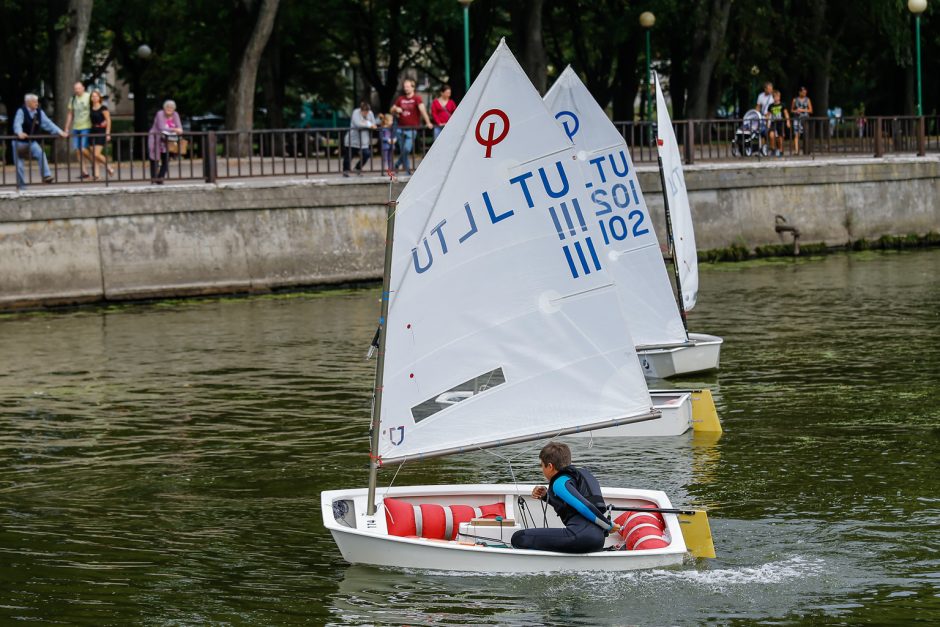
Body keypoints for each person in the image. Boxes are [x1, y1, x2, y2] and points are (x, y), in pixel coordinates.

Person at [510, 442, 619, 553]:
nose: (542, 470)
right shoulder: (578, 476)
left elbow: (585, 507)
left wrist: (608, 526)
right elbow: (571, 506)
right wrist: (546, 496)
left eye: (542, 465)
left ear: (550, 466)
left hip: (580, 537)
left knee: (519, 537)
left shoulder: (559, 483)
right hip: (597, 539)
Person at [11, 93, 69, 191]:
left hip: (31, 141)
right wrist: (19, 132)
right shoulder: (21, 111)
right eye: (34, 101)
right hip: (19, 142)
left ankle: (46, 176)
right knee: (19, 165)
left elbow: (48, 124)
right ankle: (21, 187)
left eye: (37, 101)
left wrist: (60, 132)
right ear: (27, 102)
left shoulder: (39, 112)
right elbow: (17, 123)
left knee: (41, 154)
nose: (36, 103)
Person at [391, 78, 433, 174]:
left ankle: (397, 165)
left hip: (412, 129)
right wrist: (395, 109)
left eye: (407, 86)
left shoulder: (417, 98)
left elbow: (422, 110)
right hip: (400, 129)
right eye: (404, 87)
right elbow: (391, 110)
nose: (405, 88)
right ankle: (407, 171)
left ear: (413, 87)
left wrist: (428, 122)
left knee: (406, 149)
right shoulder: (400, 99)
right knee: (403, 150)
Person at [147, 100, 183, 184]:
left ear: (174, 109)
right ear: (164, 108)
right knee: (154, 158)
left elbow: (180, 128)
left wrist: (178, 130)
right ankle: (154, 178)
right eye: (167, 107)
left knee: (166, 160)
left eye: (171, 108)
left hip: (168, 141)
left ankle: (160, 178)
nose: (169, 109)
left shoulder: (175, 115)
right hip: (156, 138)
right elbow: (161, 127)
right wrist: (174, 129)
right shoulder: (160, 114)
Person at [63, 81, 93, 179]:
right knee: (77, 150)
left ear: (83, 88)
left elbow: (96, 108)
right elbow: (70, 114)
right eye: (75, 89)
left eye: (79, 88)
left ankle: (94, 161)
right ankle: (84, 172)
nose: (77, 90)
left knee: (83, 148)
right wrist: (67, 127)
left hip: (86, 125)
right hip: (76, 127)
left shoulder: (89, 97)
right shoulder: (73, 99)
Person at [342, 101, 376, 177]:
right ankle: (346, 170)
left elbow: (374, 124)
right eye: (364, 112)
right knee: (349, 156)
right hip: (352, 139)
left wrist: (366, 123)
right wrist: (368, 124)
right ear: (361, 110)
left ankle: (357, 168)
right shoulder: (356, 112)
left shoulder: (370, 113)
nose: (366, 113)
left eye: (367, 112)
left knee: (366, 154)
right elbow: (358, 124)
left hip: (364, 140)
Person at [88, 89, 115, 179]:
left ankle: (108, 166)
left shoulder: (103, 108)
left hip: (101, 131)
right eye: (93, 96)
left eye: (96, 96)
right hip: (92, 131)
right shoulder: (90, 108)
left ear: (99, 98)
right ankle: (96, 175)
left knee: (97, 154)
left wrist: (108, 133)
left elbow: (108, 120)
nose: (94, 98)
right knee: (94, 156)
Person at [766, 90, 790, 157]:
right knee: (771, 135)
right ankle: (773, 149)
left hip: (781, 123)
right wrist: (767, 123)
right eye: (775, 97)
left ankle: (780, 150)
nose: (776, 98)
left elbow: (786, 114)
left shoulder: (782, 105)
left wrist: (788, 121)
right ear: (773, 98)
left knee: (780, 137)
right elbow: (768, 115)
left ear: (779, 97)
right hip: (773, 122)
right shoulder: (771, 106)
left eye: (778, 97)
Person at [790, 86, 813, 154]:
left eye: (805, 92)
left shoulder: (807, 100)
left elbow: (811, 110)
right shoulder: (795, 100)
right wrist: (795, 111)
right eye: (803, 92)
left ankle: (806, 150)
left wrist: (802, 110)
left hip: (805, 118)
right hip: (797, 118)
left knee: (805, 134)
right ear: (799, 92)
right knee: (796, 134)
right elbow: (791, 110)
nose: (804, 93)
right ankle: (797, 151)